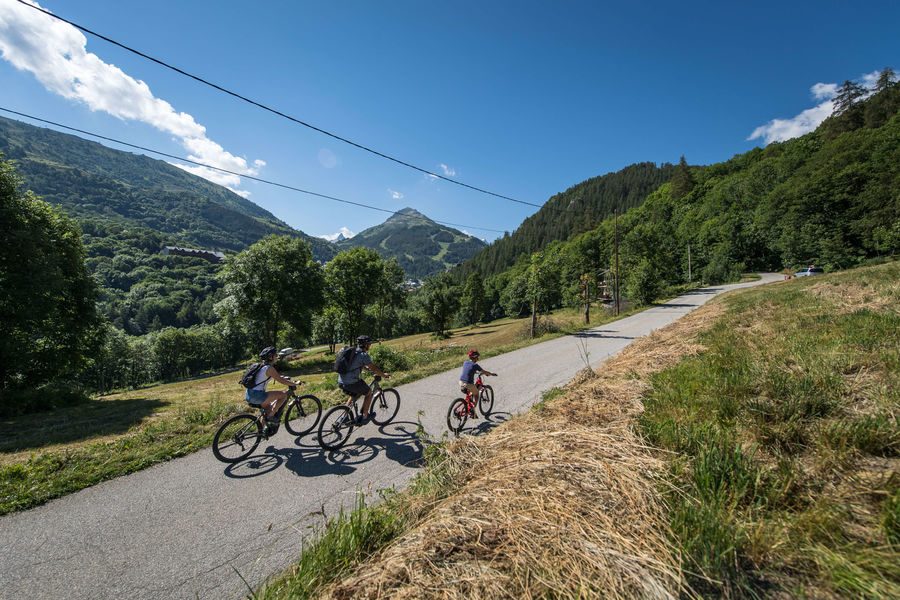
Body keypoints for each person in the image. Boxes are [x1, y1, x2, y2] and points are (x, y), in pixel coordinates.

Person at [338, 335, 390, 425]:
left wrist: (368, 369)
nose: (370, 346)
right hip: (351, 382)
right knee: (369, 392)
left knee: (355, 394)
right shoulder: (363, 355)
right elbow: (374, 368)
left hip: (341, 381)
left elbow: (360, 365)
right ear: (366, 345)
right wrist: (383, 375)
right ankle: (365, 416)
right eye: (369, 344)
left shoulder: (353, 352)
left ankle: (344, 416)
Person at [245, 346, 299, 432]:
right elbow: (281, 380)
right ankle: (271, 417)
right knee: (283, 395)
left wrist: (283, 377)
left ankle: (260, 432)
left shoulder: (261, 366)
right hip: (257, 395)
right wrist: (294, 383)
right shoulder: (269, 368)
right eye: (275, 355)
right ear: (271, 357)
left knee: (268, 409)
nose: (277, 356)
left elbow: (273, 376)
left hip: (249, 394)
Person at [459, 349, 496, 417]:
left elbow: (469, 370)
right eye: (477, 357)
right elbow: (484, 371)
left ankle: (467, 405)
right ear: (475, 357)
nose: (478, 359)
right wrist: (491, 374)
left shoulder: (465, 362)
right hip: (468, 384)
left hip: (461, 382)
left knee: (470, 392)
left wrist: (475, 371)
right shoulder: (475, 365)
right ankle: (472, 410)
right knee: (476, 394)